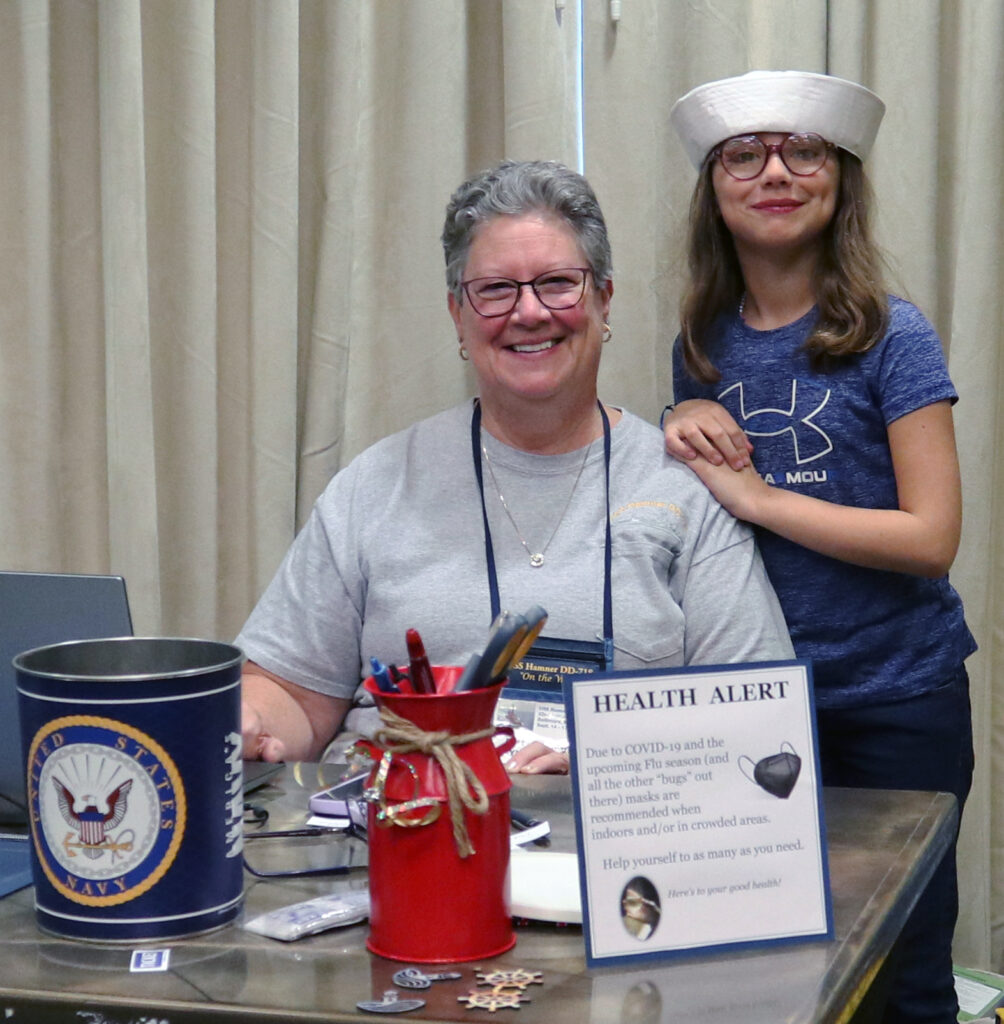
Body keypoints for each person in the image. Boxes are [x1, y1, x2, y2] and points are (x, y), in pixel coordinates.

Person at [238, 158, 793, 776]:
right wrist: (251, 717)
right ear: (458, 315)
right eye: (496, 289)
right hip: (397, 835)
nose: (529, 313)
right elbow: (290, 695)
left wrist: (607, 770)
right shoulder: (375, 486)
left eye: (557, 283)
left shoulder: (686, 488)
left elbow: (758, 723)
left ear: (604, 300)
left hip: (616, 847)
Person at [665, 71, 976, 1024]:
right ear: (714, 186)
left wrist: (759, 501)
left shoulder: (890, 333)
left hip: (897, 700)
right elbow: (698, 511)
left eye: (803, 151)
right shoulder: (701, 342)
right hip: (758, 703)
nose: (776, 173)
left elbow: (932, 539)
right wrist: (681, 415)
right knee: (777, 968)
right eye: (744, 154)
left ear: (840, 178)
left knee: (905, 974)